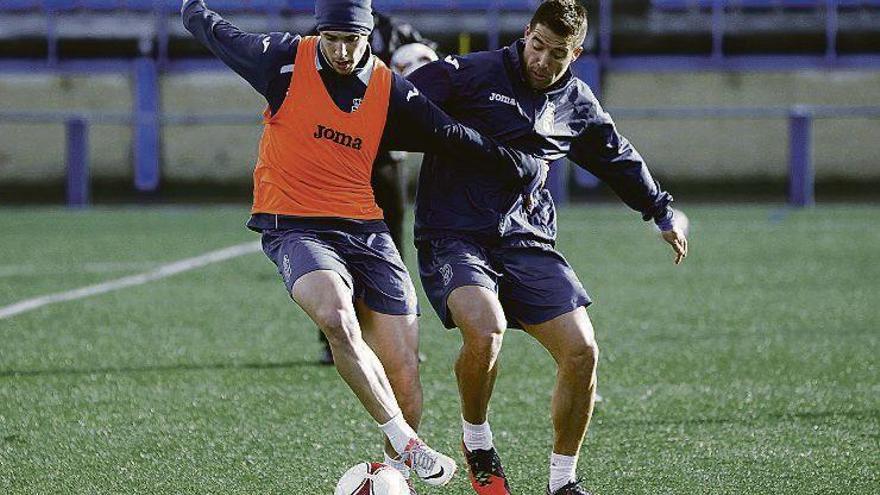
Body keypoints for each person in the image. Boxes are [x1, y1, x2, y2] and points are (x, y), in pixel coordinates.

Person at [181, 0, 546, 491]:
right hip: (294, 225)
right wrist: (191, 7)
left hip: (366, 231)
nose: (341, 50)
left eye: (352, 40)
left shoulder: (386, 85)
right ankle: (408, 445)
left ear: (368, 35)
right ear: (319, 34)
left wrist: (510, 162)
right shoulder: (281, 61)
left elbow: (446, 133)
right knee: (334, 315)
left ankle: (394, 477)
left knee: (404, 370)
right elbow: (215, 31)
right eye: (331, 39)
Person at [407, 1, 689, 494]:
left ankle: (563, 482)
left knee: (582, 350)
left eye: (557, 53)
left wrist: (660, 210)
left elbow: (615, 156)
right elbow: (400, 101)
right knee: (486, 328)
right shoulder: (471, 73)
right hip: (454, 234)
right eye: (537, 45)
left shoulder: (576, 102)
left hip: (526, 239)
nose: (542, 60)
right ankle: (476, 440)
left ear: (575, 53)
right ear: (526, 33)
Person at [316, 13, 438, 366]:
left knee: (390, 247)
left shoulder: (396, 29)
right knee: (335, 246)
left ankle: (394, 336)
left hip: (386, 157)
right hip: (340, 156)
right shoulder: (320, 32)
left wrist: (417, 64)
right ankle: (335, 338)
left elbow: (426, 61)